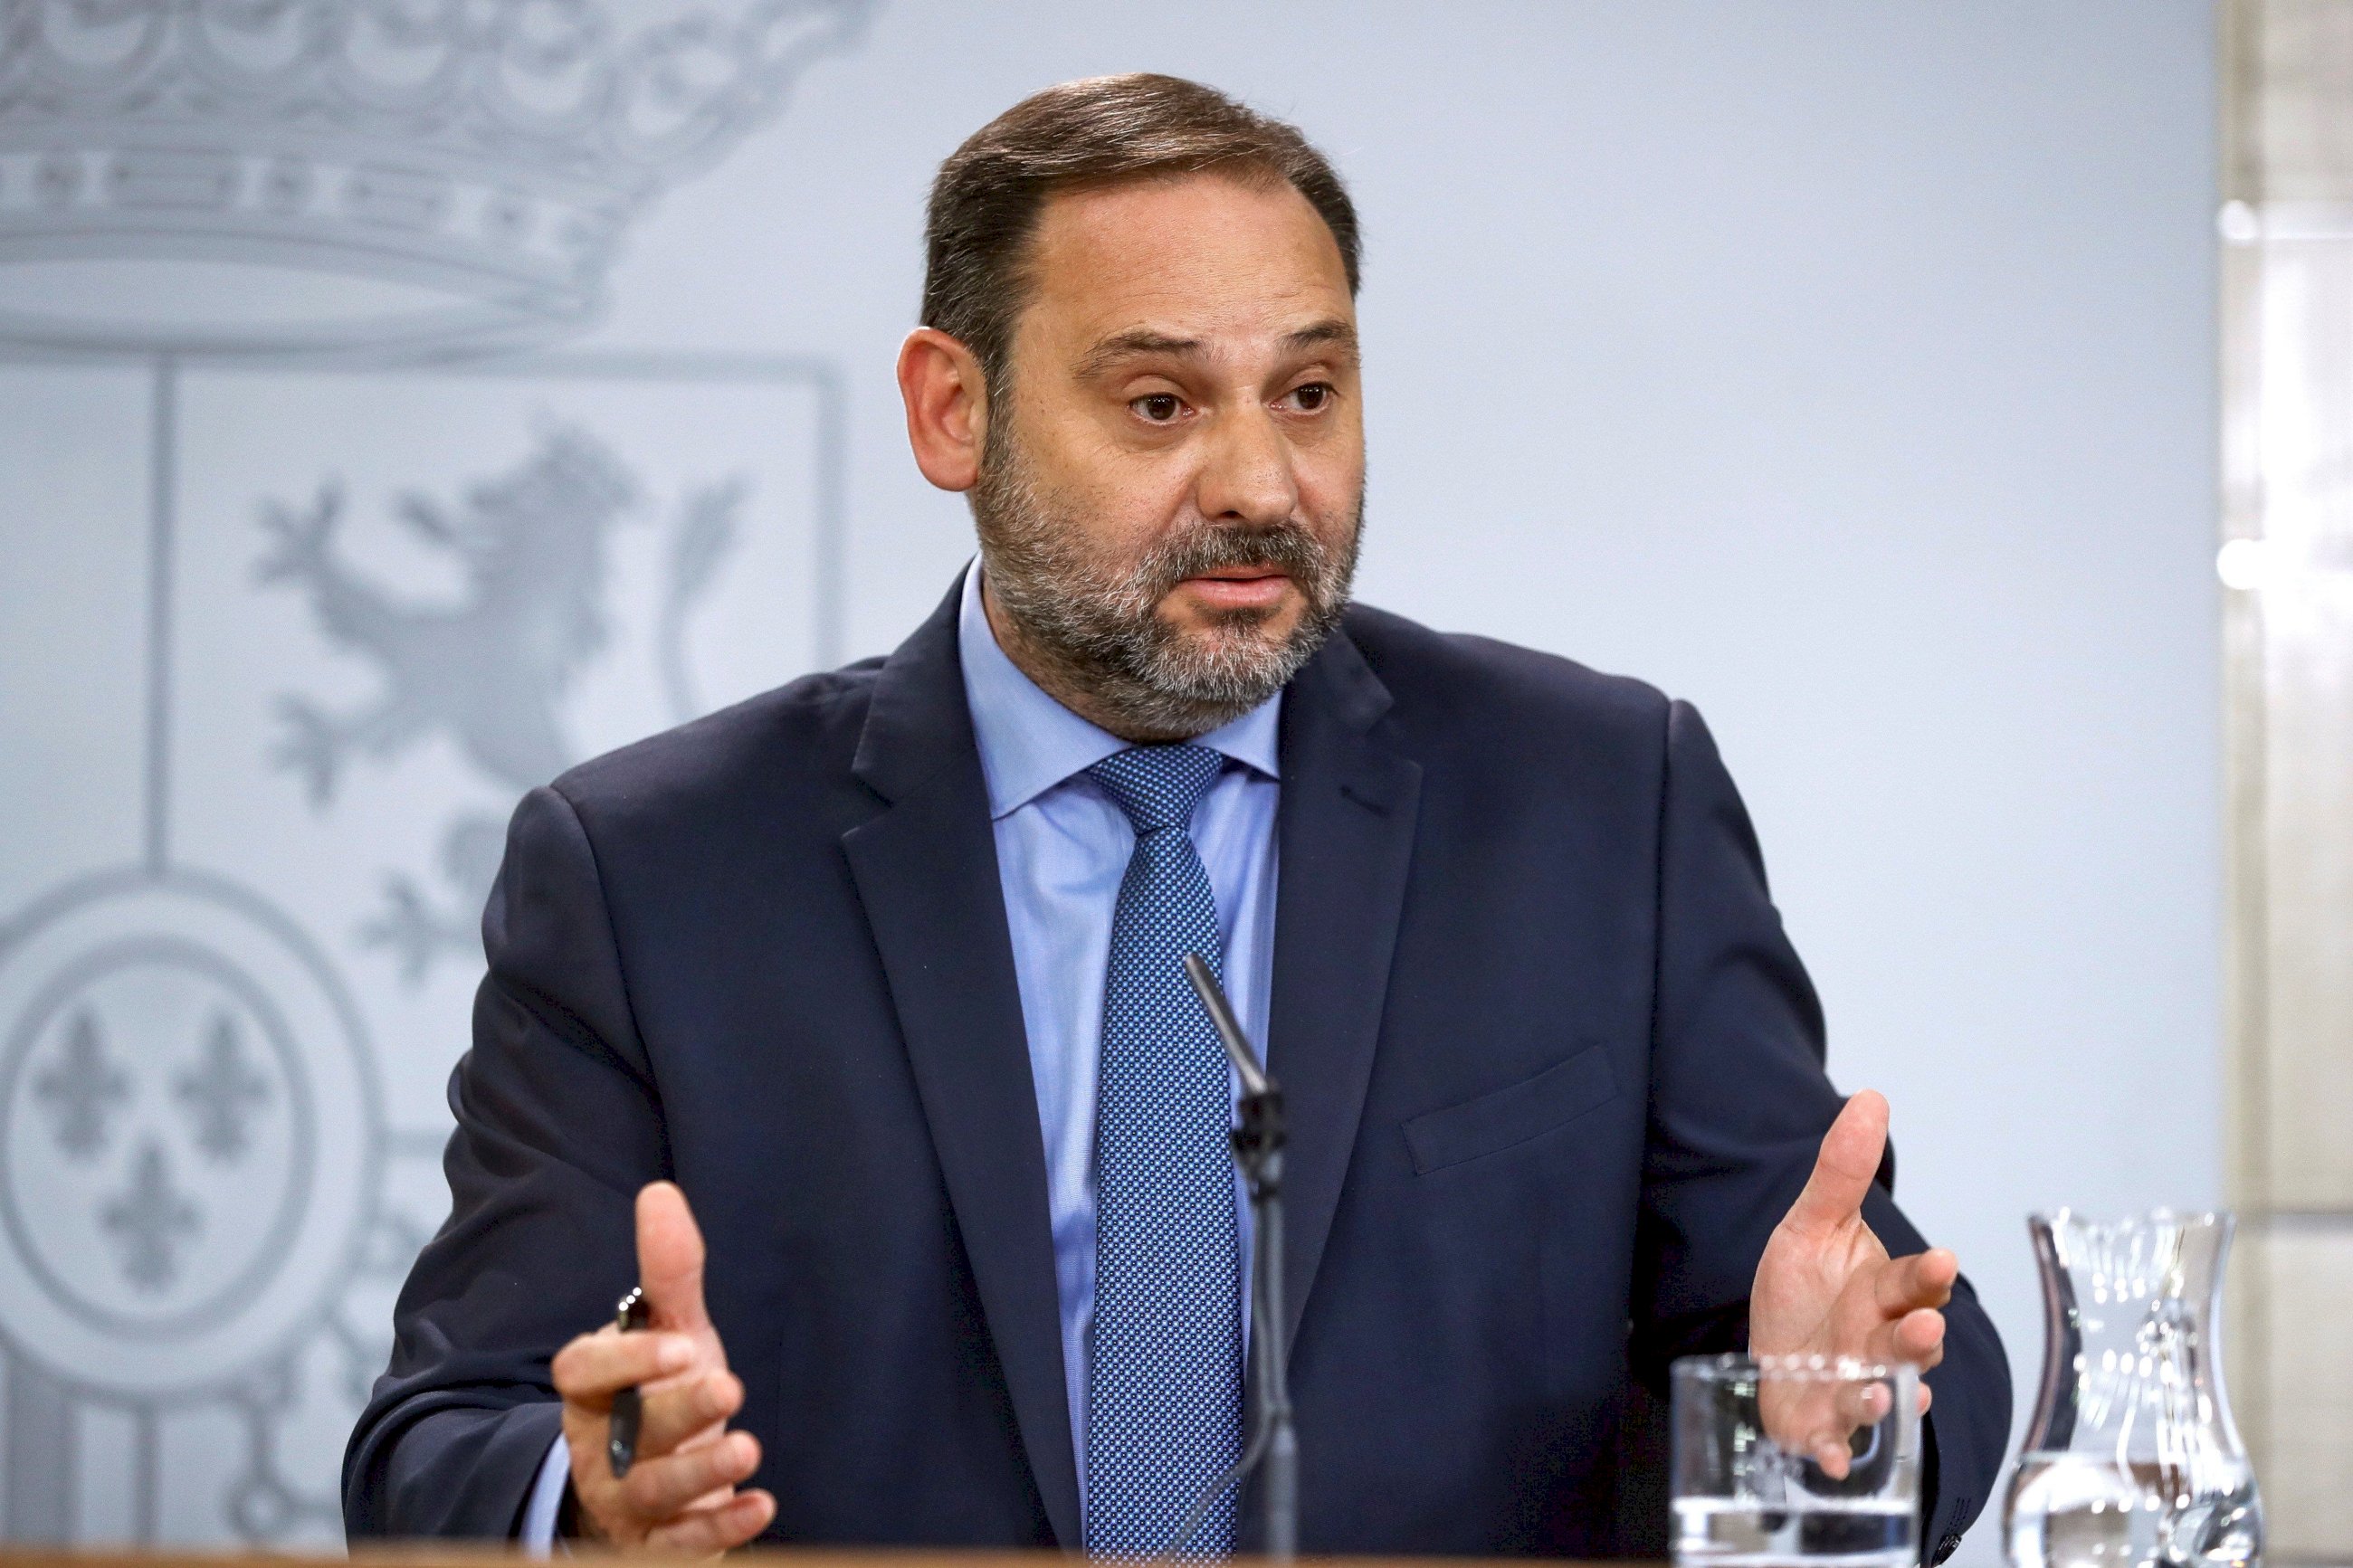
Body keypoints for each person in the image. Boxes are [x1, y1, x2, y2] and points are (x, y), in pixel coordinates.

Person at [343, 73, 2008, 1559]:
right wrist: (596, 1498)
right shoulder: (656, 874)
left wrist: (1828, 1418)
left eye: (1307, 395)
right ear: (953, 410)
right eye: (1159, 403)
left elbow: (1851, 1332)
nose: (1260, 486)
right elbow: (439, 1443)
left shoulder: (1597, 804)